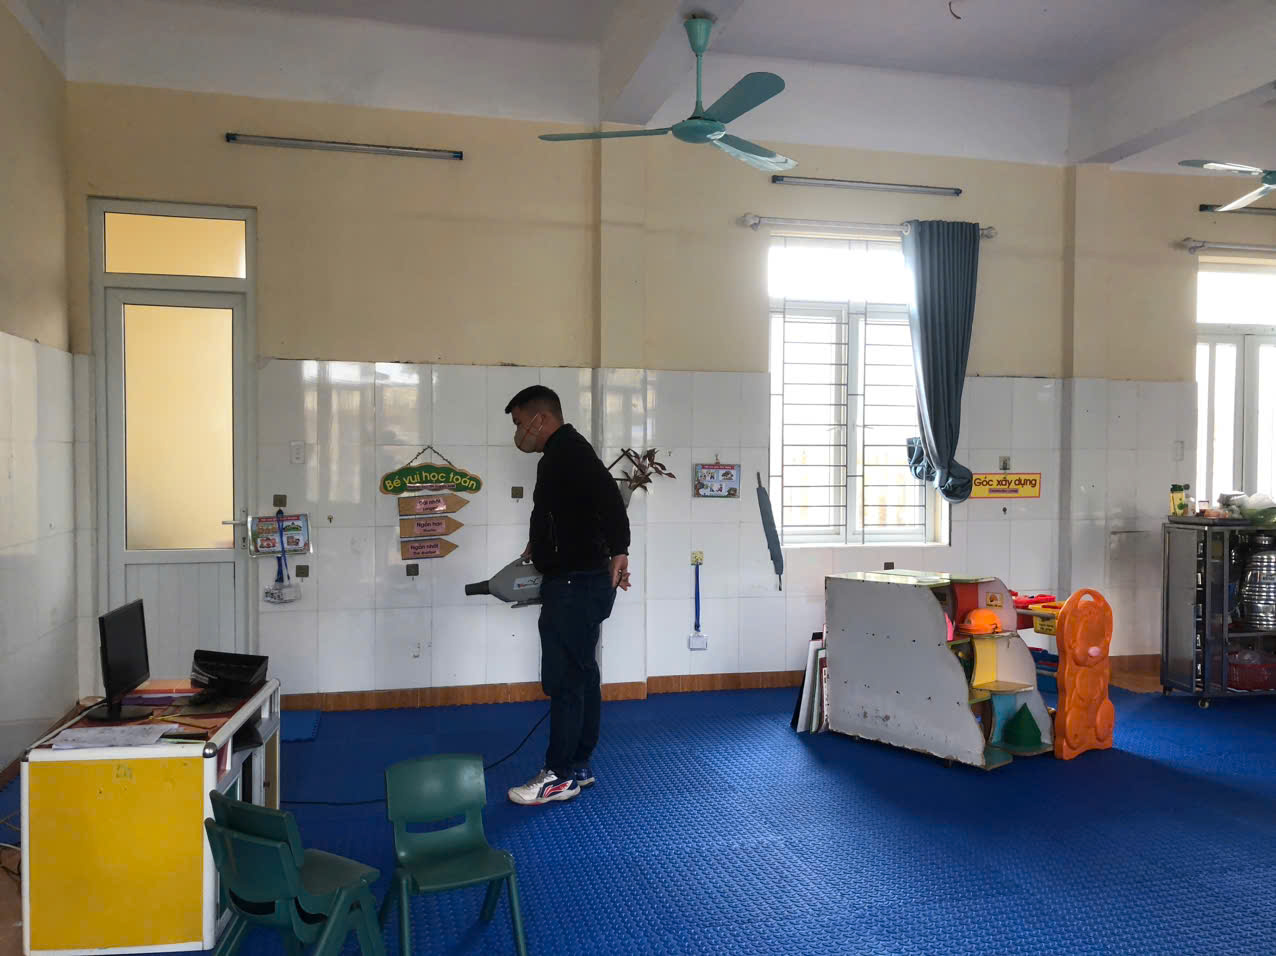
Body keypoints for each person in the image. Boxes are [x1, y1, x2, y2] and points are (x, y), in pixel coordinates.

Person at [504, 384, 631, 806]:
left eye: (520, 422)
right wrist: (537, 544)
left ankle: (558, 775)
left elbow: (610, 499)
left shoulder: (569, 452)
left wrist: (620, 551)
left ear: (540, 418)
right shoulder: (560, 455)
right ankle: (578, 764)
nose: (518, 432)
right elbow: (564, 513)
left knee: (566, 679)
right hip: (579, 580)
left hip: (576, 584)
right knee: (582, 672)